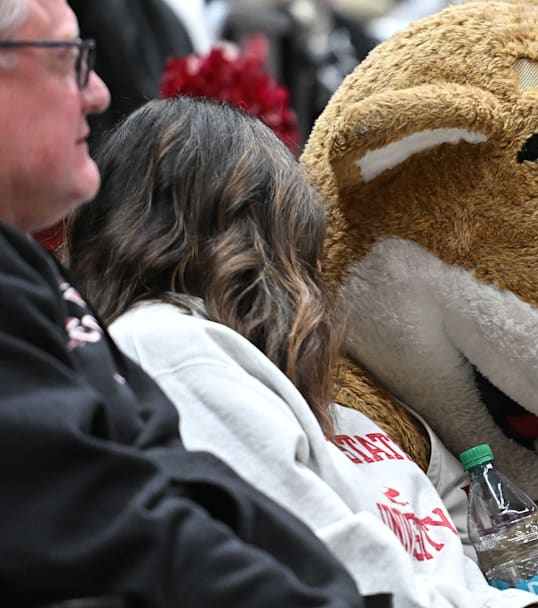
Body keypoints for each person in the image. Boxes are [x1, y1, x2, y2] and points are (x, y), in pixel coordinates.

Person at [63, 95, 538, 608]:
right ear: (240, 242)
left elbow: (465, 564)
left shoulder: (331, 410)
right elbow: (327, 571)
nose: (320, 277)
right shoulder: (170, 344)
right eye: (302, 248)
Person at [0, 1, 368, 605]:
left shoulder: (31, 272)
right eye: (69, 59)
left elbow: (185, 489)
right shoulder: (170, 342)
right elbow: (108, 522)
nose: (97, 93)